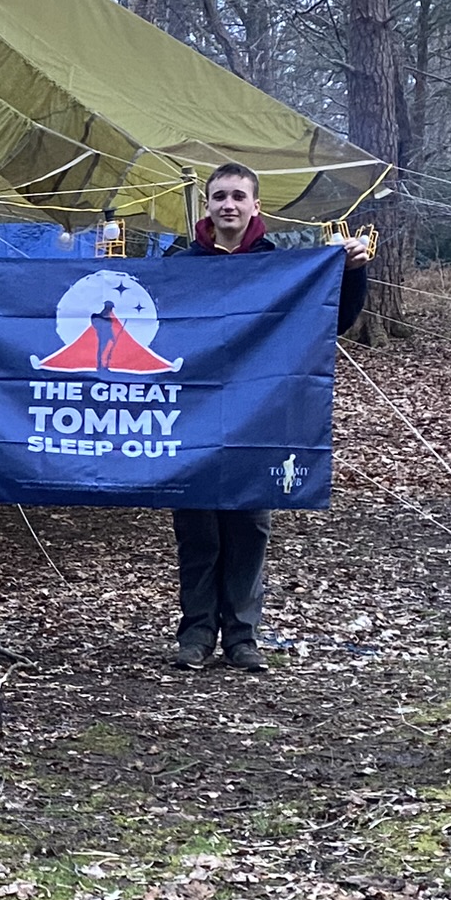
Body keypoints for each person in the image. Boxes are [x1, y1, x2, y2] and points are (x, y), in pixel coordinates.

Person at [168, 161, 372, 672]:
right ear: (207, 205)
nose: (228, 205)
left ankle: (242, 635)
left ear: (256, 206)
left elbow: (335, 321)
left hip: (258, 414)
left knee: (248, 527)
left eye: (239, 196)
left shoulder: (283, 268)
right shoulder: (183, 265)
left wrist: (352, 273)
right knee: (197, 528)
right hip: (191, 415)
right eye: (219, 196)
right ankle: (195, 634)